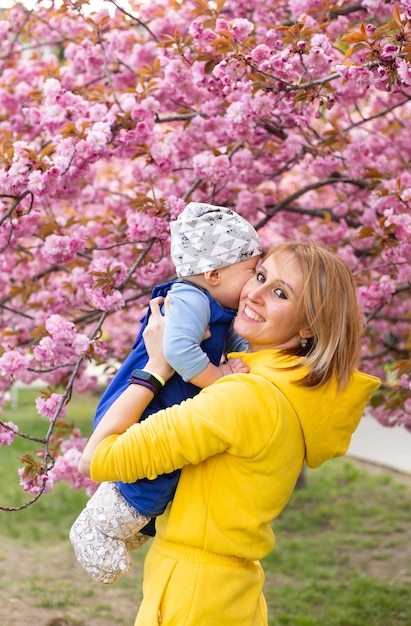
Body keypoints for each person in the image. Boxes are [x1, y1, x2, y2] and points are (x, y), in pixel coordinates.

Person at [79, 241, 381, 626]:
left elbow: (97, 457)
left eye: (279, 292)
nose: (253, 294)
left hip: (193, 599)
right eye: (260, 275)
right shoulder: (283, 394)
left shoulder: (244, 397)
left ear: (309, 325)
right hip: (231, 591)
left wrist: (156, 367)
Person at [70, 202, 262, 584]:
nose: (254, 284)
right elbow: (175, 351)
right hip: (149, 398)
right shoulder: (191, 298)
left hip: (165, 398)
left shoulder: (213, 300)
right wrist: (219, 375)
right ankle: (96, 528)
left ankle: (122, 527)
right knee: (147, 475)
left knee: (159, 476)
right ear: (215, 272)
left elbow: (238, 340)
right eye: (252, 272)